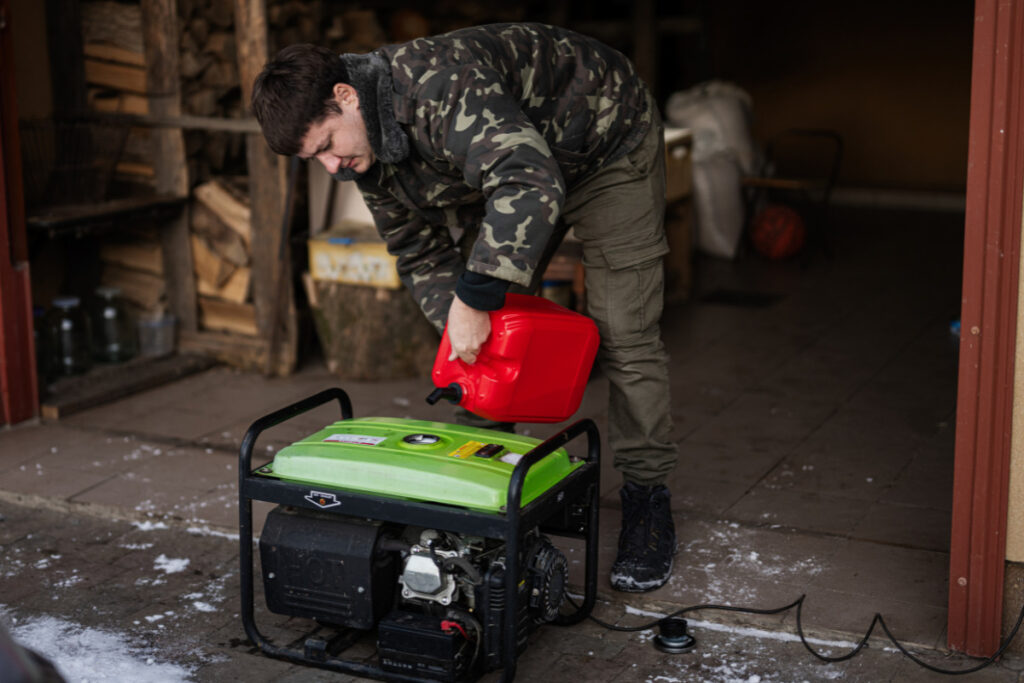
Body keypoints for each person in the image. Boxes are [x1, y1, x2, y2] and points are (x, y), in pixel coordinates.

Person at [251, 22, 679, 592]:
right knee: (482, 326)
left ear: (345, 97)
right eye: (315, 160)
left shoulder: (435, 88)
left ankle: (647, 502)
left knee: (623, 332)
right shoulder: (364, 151)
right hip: (522, 165)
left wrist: (474, 300)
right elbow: (416, 248)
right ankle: (478, 485)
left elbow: (529, 181)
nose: (330, 166)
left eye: (327, 145)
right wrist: (463, 331)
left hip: (605, 143)